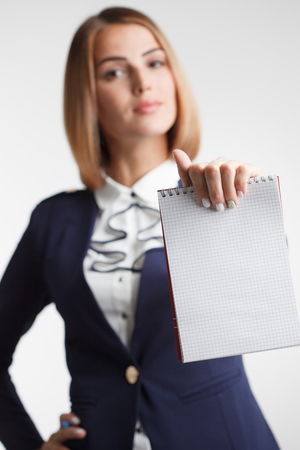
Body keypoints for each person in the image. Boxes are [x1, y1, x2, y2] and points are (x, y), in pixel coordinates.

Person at [0, 6, 280, 450]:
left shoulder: (216, 198)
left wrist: (244, 207)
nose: (142, 82)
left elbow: (264, 307)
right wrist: (26, 445)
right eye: (114, 72)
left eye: (154, 62)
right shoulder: (54, 221)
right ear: (86, 93)